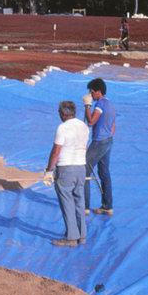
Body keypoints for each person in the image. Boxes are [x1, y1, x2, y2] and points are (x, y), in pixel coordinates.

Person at [43, 100, 89, 247]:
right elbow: (85, 148)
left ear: (63, 113)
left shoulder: (62, 128)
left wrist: (49, 170)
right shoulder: (84, 126)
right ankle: (81, 235)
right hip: (81, 168)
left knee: (67, 202)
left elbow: (56, 151)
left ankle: (71, 237)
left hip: (66, 169)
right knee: (79, 201)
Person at [83, 77, 116, 216]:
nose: (91, 95)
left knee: (84, 171)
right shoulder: (110, 104)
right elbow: (114, 125)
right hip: (108, 140)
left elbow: (90, 122)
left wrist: (87, 106)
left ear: (98, 92)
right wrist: (107, 136)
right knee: (104, 173)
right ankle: (107, 206)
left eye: (92, 92)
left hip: (99, 142)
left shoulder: (100, 105)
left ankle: (84, 206)